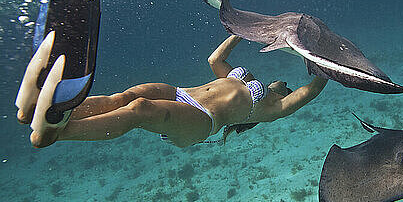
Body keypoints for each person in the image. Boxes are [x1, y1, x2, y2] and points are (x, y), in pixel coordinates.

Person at [18, 35, 328, 148]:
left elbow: (309, 91)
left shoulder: (271, 110)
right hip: (181, 93)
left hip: (201, 120)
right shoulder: (245, 78)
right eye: (283, 83)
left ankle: (57, 133)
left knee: (140, 108)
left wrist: (326, 65)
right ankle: (49, 112)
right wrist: (242, 32)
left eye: (284, 88)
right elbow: (215, 60)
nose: (284, 84)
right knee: (124, 98)